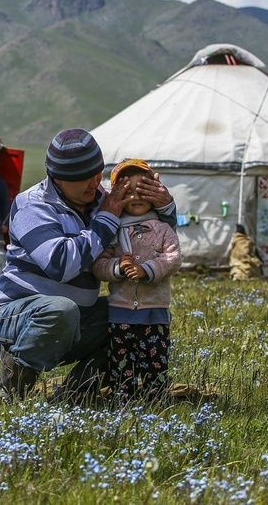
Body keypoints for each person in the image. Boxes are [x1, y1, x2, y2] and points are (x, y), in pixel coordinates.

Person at [0, 129, 176, 403]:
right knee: (61, 309)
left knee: (134, 316)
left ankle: (75, 394)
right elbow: (61, 264)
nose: (94, 183)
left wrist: (165, 205)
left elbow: (152, 238)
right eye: (83, 179)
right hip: (13, 319)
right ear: (58, 179)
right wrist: (107, 219)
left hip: (76, 320)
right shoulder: (32, 205)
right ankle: (9, 391)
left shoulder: (101, 201)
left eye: (97, 175)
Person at [93, 159, 182, 404]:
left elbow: (173, 258)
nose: (135, 197)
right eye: (127, 191)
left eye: (142, 190)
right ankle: (124, 403)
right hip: (120, 313)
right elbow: (99, 264)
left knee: (155, 363)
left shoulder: (162, 229)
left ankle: (155, 403)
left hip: (155, 311)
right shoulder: (112, 231)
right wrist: (117, 267)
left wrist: (148, 270)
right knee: (122, 365)